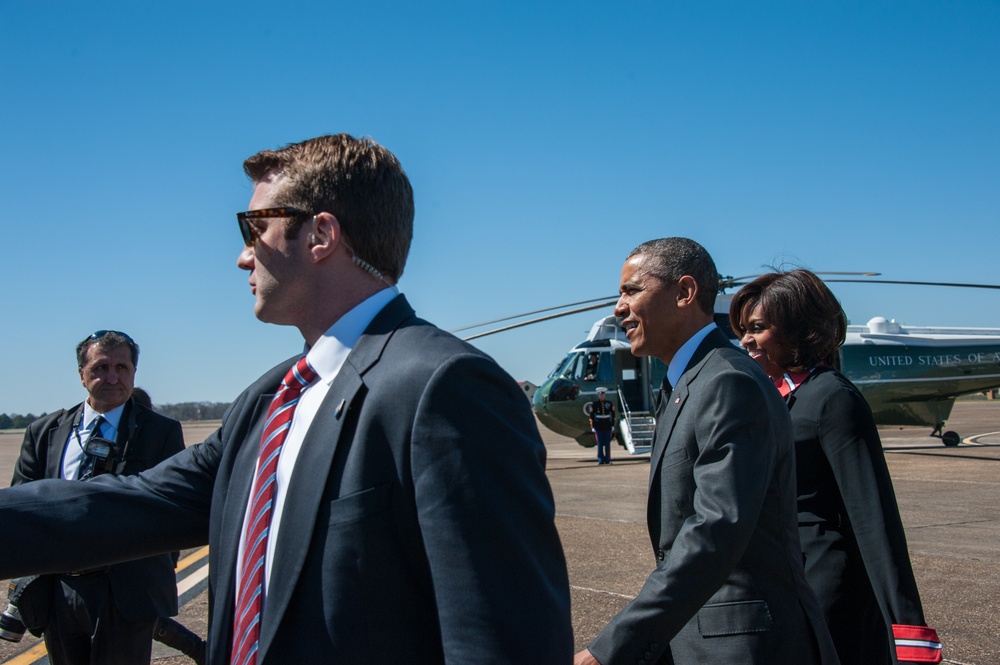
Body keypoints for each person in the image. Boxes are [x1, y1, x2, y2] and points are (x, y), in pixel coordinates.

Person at [0, 134, 573, 664]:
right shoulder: (269, 398)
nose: (243, 257)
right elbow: (135, 504)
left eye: (254, 230)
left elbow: (501, 642)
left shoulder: (446, 387)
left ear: (320, 236)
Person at [575, 238, 838, 665]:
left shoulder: (726, 383)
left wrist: (609, 650)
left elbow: (715, 530)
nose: (618, 308)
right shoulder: (688, 384)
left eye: (631, 290)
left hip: (749, 647)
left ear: (684, 293)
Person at [730, 269, 942, 665]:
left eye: (757, 328)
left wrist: (908, 630)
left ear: (795, 330)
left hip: (831, 593)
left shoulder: (832, 398)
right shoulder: (778, 398)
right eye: (744, 329)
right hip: (787, 586)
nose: (745, 340)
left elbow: (874, 519)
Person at [8, 331, 185, 665]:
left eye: (122, 367)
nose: (112, 377)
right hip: (60, 590)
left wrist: (153, 572)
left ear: (134, 373)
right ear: (81, 374)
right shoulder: (45, 432)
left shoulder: (160, 432)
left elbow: (172, 512)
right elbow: (23, 508)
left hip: (126, 592)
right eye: (101, 367)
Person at [587, 387, 616, 464]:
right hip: (598, 425)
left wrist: (613, 425)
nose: (601, 395)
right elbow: (591, 416)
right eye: (600, 394)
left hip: (607, 425)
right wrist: (592, 426)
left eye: (603, 394)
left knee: (607, 443)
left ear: (605, 394)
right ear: (598, 395)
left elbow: (613, 415)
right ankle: (600, 459)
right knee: (600, 443)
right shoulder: (595, 404)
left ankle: (608, 459)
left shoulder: (609, 403)